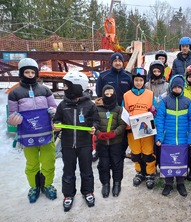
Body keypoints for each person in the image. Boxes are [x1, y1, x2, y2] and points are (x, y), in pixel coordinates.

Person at [7, 58, 57, 204]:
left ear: (36, 73)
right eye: (26, 72)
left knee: (48, 161)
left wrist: (53, 113)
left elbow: (54, 107)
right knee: (32, 163)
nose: (29, 75)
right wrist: (14, 119)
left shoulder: (45, 90)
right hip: (28, 134)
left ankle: (47, 184)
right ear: (21, 73)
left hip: (46, 132)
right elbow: (12, 114)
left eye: (32, 72)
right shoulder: (15, 93)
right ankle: (34, 186)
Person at [53, 71, 100, 212]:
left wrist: (94, 127)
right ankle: (68, 195)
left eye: (67, 86)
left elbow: (96, 120)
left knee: (86, 170)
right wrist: (57, 124)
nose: (64, 88)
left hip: (84, 144)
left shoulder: (90, 105)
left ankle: (88, 192)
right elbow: (57, 118)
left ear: (77, 87)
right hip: (67, 144)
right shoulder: (62, 105)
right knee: (68, 170)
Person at [155, 75, 191, 197]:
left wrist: (190, 138)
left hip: (183, 138)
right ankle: (168, 183)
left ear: (182, 88)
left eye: (179, 87)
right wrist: (159, 137)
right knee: (168, 161)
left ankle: (180, 183)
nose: (177, 89)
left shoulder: (188, 102)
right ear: (171, 87)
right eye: (175, 87)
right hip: (168, 138)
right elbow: (160, 119)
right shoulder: (165, 101)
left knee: (181, 161)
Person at [123, 69, 157, 190]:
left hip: (146, 129)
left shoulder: (150, 94)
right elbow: (124, 112)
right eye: (136, 80)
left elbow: (155, 110)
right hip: (132, 130)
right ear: (133, 80)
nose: (138, 82)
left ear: (144, 81)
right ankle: (139, 172)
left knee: (148, 152)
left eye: (141, 80)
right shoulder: (126, 95)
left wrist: (153, 111)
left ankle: (150, 173)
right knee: (136, 152)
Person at [95, 52, 132, 160]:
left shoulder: (128, 76)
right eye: (115, 61)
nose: (117, 63)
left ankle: (121, 153)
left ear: (123, 62)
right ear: (111, 63)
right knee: (108, 131)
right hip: (108, 110)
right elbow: (99, 93)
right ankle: (105, 153)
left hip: (124, 110)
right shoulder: (103, 76)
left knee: (122, 132)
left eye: (119, 61)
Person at [95, 85, 126, 198]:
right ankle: (105, 184)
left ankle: (117, 183)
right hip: (102, 143)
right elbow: (93, 123)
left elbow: (122, 124)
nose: (109, 96)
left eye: (111, 94)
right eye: (106, 94)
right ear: (103, 94)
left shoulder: (119, 109)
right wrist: (98, 133)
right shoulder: (97, 108)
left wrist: (114, 133)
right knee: (103, 164)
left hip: (116, 142)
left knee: (117, 163)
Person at [145, 60, 169, 168]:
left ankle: (162, 163)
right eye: (154, 71)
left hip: (163, 117)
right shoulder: (147, 85)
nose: (156, 73)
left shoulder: (167, 86)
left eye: (159, 71)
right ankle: (152, 165)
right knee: (151, 143)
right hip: (150, 117)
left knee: (161, 140)